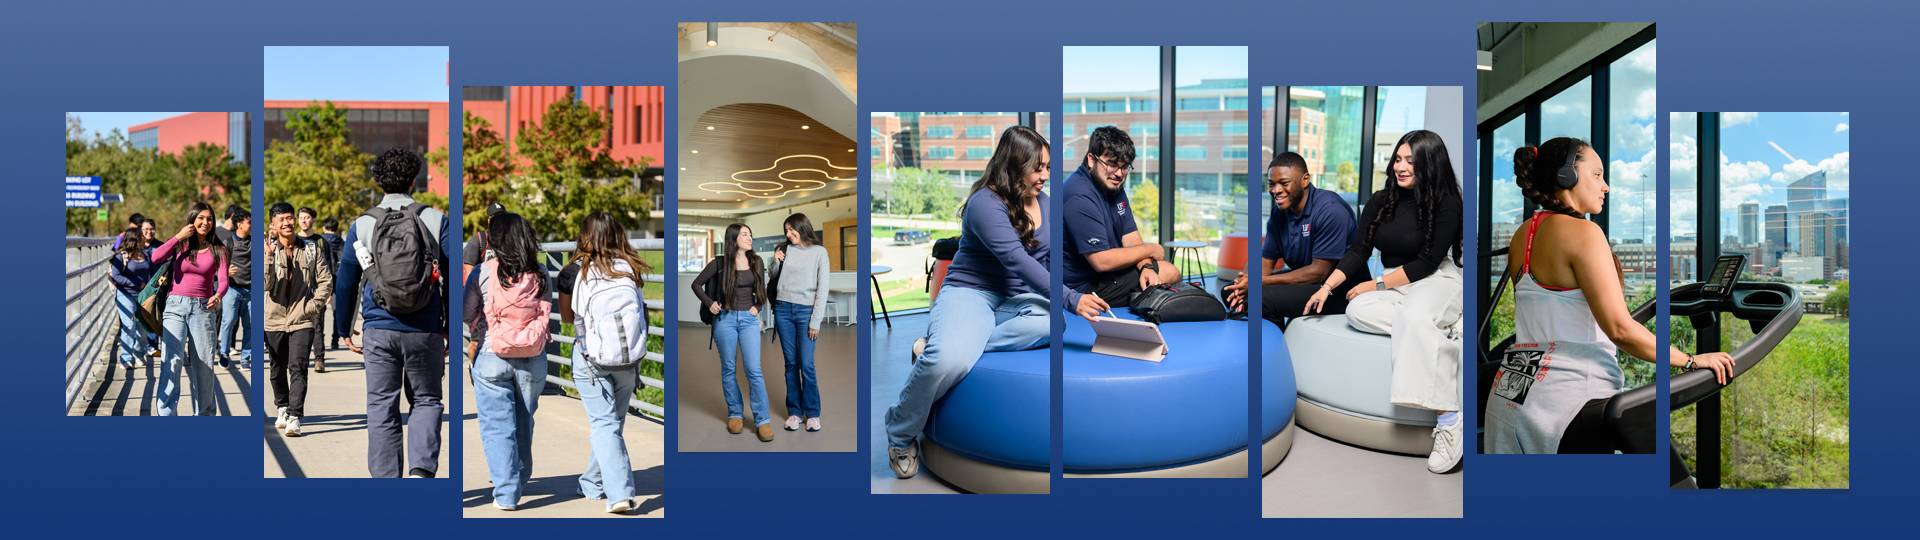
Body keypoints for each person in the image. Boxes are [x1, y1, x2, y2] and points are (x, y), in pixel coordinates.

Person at [1485, 137, 1736, 454]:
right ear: (1568, 177)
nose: (1606, 186)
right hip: (1564, 402)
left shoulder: (1525, 233)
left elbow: (1557, 312)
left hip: (1511, 394)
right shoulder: (1584, 233)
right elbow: (1619, 329)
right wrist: (1691, 361)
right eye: (1597, 175)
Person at [887, 125, 1098, 479]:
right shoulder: (984, 202)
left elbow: (1046, 263)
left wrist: (1081, 293)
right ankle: (899, 431)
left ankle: (951, 343)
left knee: (1052, 323)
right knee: (945, 362)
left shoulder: (1046, 203)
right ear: (1015, 165)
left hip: (1015, 299)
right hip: (971, 292)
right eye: (1039, 167)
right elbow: (1018, 260)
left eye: (1048, 167)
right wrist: (1071, 298)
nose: (1046, 176)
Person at [1303, 130, 1465, 473]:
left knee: (1413, 313)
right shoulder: (1380, 200)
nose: (1401, 167)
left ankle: (1449, 419)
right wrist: (1326, 288)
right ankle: (1442, 330)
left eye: (1411, 161)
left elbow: (1425, 263)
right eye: (1398, 159)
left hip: (1434, 279)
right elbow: (1358, 249)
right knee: (1357, 309)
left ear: (1430, 165)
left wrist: (1375, 284)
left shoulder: (1447, 201)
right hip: (1396, 284)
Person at [334, 148, 455, 479]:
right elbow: (452, 278)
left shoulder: (362, 224)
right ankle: (420, 474)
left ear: (378, 183)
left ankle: (388, 484)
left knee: (381, 407)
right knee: (427, 401)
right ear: (414, 181)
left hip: (379, 330)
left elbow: (346, 282)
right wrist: (449, 328)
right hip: (425, 329)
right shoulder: (435, 219)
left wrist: (343, 327)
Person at [555, 211, 651, 513]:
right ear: (617, 234)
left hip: (591, 359)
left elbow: (569, 318)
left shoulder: (573, 272)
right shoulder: (630, 268)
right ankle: (593, 483)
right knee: (611, 425)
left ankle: (620, 494)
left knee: (605, 425)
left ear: (584, 236)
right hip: (627, 360)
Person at [463, 211, 550, 510]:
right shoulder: (540, 272)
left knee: (497, 427)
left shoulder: (483, 272)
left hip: (491, 354)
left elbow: (465, 314)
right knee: (524, 420)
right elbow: (546, 310)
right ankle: (521, 478)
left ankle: (507, 493)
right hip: (533, 355)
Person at [1223, 152, 1365, 325]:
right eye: (1271, 184)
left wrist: (1259, 283)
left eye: (1284, 183)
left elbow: (1319, 273)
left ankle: (1273, 350)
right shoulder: (1279, 213)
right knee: (1229, 292)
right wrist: (1243, 282)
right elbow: (1265, 261)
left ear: (1305, 180)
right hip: (1306, 282)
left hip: (1341, 289)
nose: (1276, 190)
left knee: (1260, 299)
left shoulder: (1331, 210)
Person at [1062, 126, 1181, 308]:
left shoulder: (1112, 184)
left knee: (1159, 272)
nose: (1118, 173)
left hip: (1105, 275)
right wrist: (1150, 249)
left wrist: (1146, 266)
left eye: (1125, 167)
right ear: (1092, 160)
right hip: (1081, 288)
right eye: (1111, 164)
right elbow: (1101, 261)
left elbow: (1131, 236)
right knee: (1169, 271)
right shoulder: (1080, 195)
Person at [692, 223, 775, 442]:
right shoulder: (719, 263)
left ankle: (762, 420)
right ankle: (735, 414)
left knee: (753, 370)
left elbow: (763, 291)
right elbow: (697, 284)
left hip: (748, 320)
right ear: (734, 238)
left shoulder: (756, 261)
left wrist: (758, 307)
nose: (750, 238)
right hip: (725, 320)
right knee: (729, 369)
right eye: (745, 234)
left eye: (750, 234)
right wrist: (710, 303)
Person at [151, 202, 229, 416]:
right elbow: (156, 257)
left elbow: (223, 280)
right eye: (201, 218)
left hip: (203, 309)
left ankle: (203, 416)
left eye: (210, 219)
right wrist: (178, 236)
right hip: (175, 306)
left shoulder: (219, 249)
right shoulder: (180, 245)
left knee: (204, 365)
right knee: (171, 361)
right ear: (193, 220)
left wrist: (218, 295)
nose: (205, 222)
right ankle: (166, 414)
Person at [264, 202, 333, 437]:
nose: (287, 222)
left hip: (302, 318)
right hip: (273, 319)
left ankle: (295, 415)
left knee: (298, 367)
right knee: (276, 368)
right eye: (281, 219)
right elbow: (265, 285)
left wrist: (313, 306)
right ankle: (282, 406)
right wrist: (268, 257)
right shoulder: (267, 250)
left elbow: (325, 280)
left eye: (290, 218)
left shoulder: (311, 249)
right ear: (273, 224)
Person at [769, 213, 831, 432]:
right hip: (783, 310)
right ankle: (794, 412)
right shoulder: (784, 249)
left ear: (802, 227)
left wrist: (816, 320)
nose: (788, 234)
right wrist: (775, 262)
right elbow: (773, 277)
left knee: (806, 364)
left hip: (806, 313)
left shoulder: (819, 252)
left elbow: (822, 289)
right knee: (790, 364)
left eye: (791, 229)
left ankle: (812, 413)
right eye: (785, 230)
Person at [108, 226, 156, 369]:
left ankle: (139, 353)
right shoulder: (121, 256)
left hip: (143, 296)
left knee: (143, 328)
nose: (144, 237)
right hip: (125, 295)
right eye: (141, 235)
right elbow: (115, 276)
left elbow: (153, 272)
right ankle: (126, 358)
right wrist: (136, 283)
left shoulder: (146, 254)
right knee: (129, 325)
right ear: (134, 239)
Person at [295, 207, 334, 373]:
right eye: (301, 217)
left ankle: (319, 360)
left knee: (317, 326)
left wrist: (329, 291)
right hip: (297, 290)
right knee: (297, 326)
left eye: (307, 217)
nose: (304, 220)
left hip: (317, 290)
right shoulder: (293, 239)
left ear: (313, 221)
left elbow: (329, 268)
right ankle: (298, 359)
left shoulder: (321, 242)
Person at [217, 208, 254, 369]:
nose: (253, 225)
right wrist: (225, 271)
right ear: (239, 224)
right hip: (232, 289)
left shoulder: (256, 242)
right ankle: (224, 352)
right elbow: (216, 266)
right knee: (228, 321)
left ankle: (245, 357)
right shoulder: (228, 243)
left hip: (252, 290)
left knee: (251, 324)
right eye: (250, 222)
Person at [319, 217, 345, 352]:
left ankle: (320, 341)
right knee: (337, 312)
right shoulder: (343, 243)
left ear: (324, 228)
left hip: (323, 280)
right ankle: (335, 340)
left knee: (320, 312)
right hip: (340, 281)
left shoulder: (320, 242)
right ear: (337, 228)